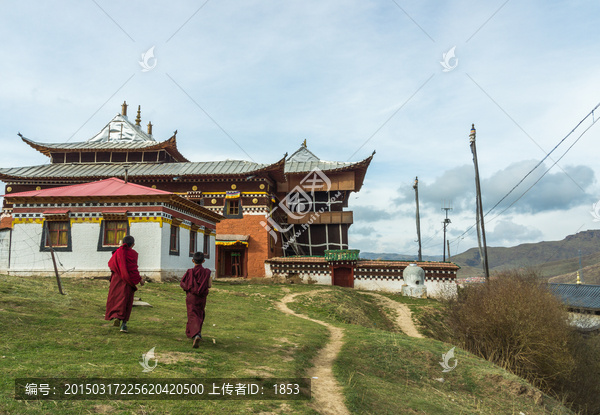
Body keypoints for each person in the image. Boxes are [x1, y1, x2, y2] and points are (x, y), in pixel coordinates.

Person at [105, 235, 144, 333]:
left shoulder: (118, 252)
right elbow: (133, 269)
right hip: (127, 280)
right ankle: (123, 325)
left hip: (117, 279)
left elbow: (111, 264)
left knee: (115, 298)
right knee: (126, 300)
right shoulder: (133, 253)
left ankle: (116, 316)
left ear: (122, 243)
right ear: (133, 244)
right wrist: (140, 280)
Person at [180, 252, 212, 348]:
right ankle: (194, 333)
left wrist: (189, 288)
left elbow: (183, 283)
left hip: (191, 296)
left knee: (192, 314)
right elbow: (209, 285)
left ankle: (196, 334)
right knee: (199, 313)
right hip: (202, 297)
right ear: (203, 261)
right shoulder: (207, 272)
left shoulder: (190, 271)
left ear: (192, 260)